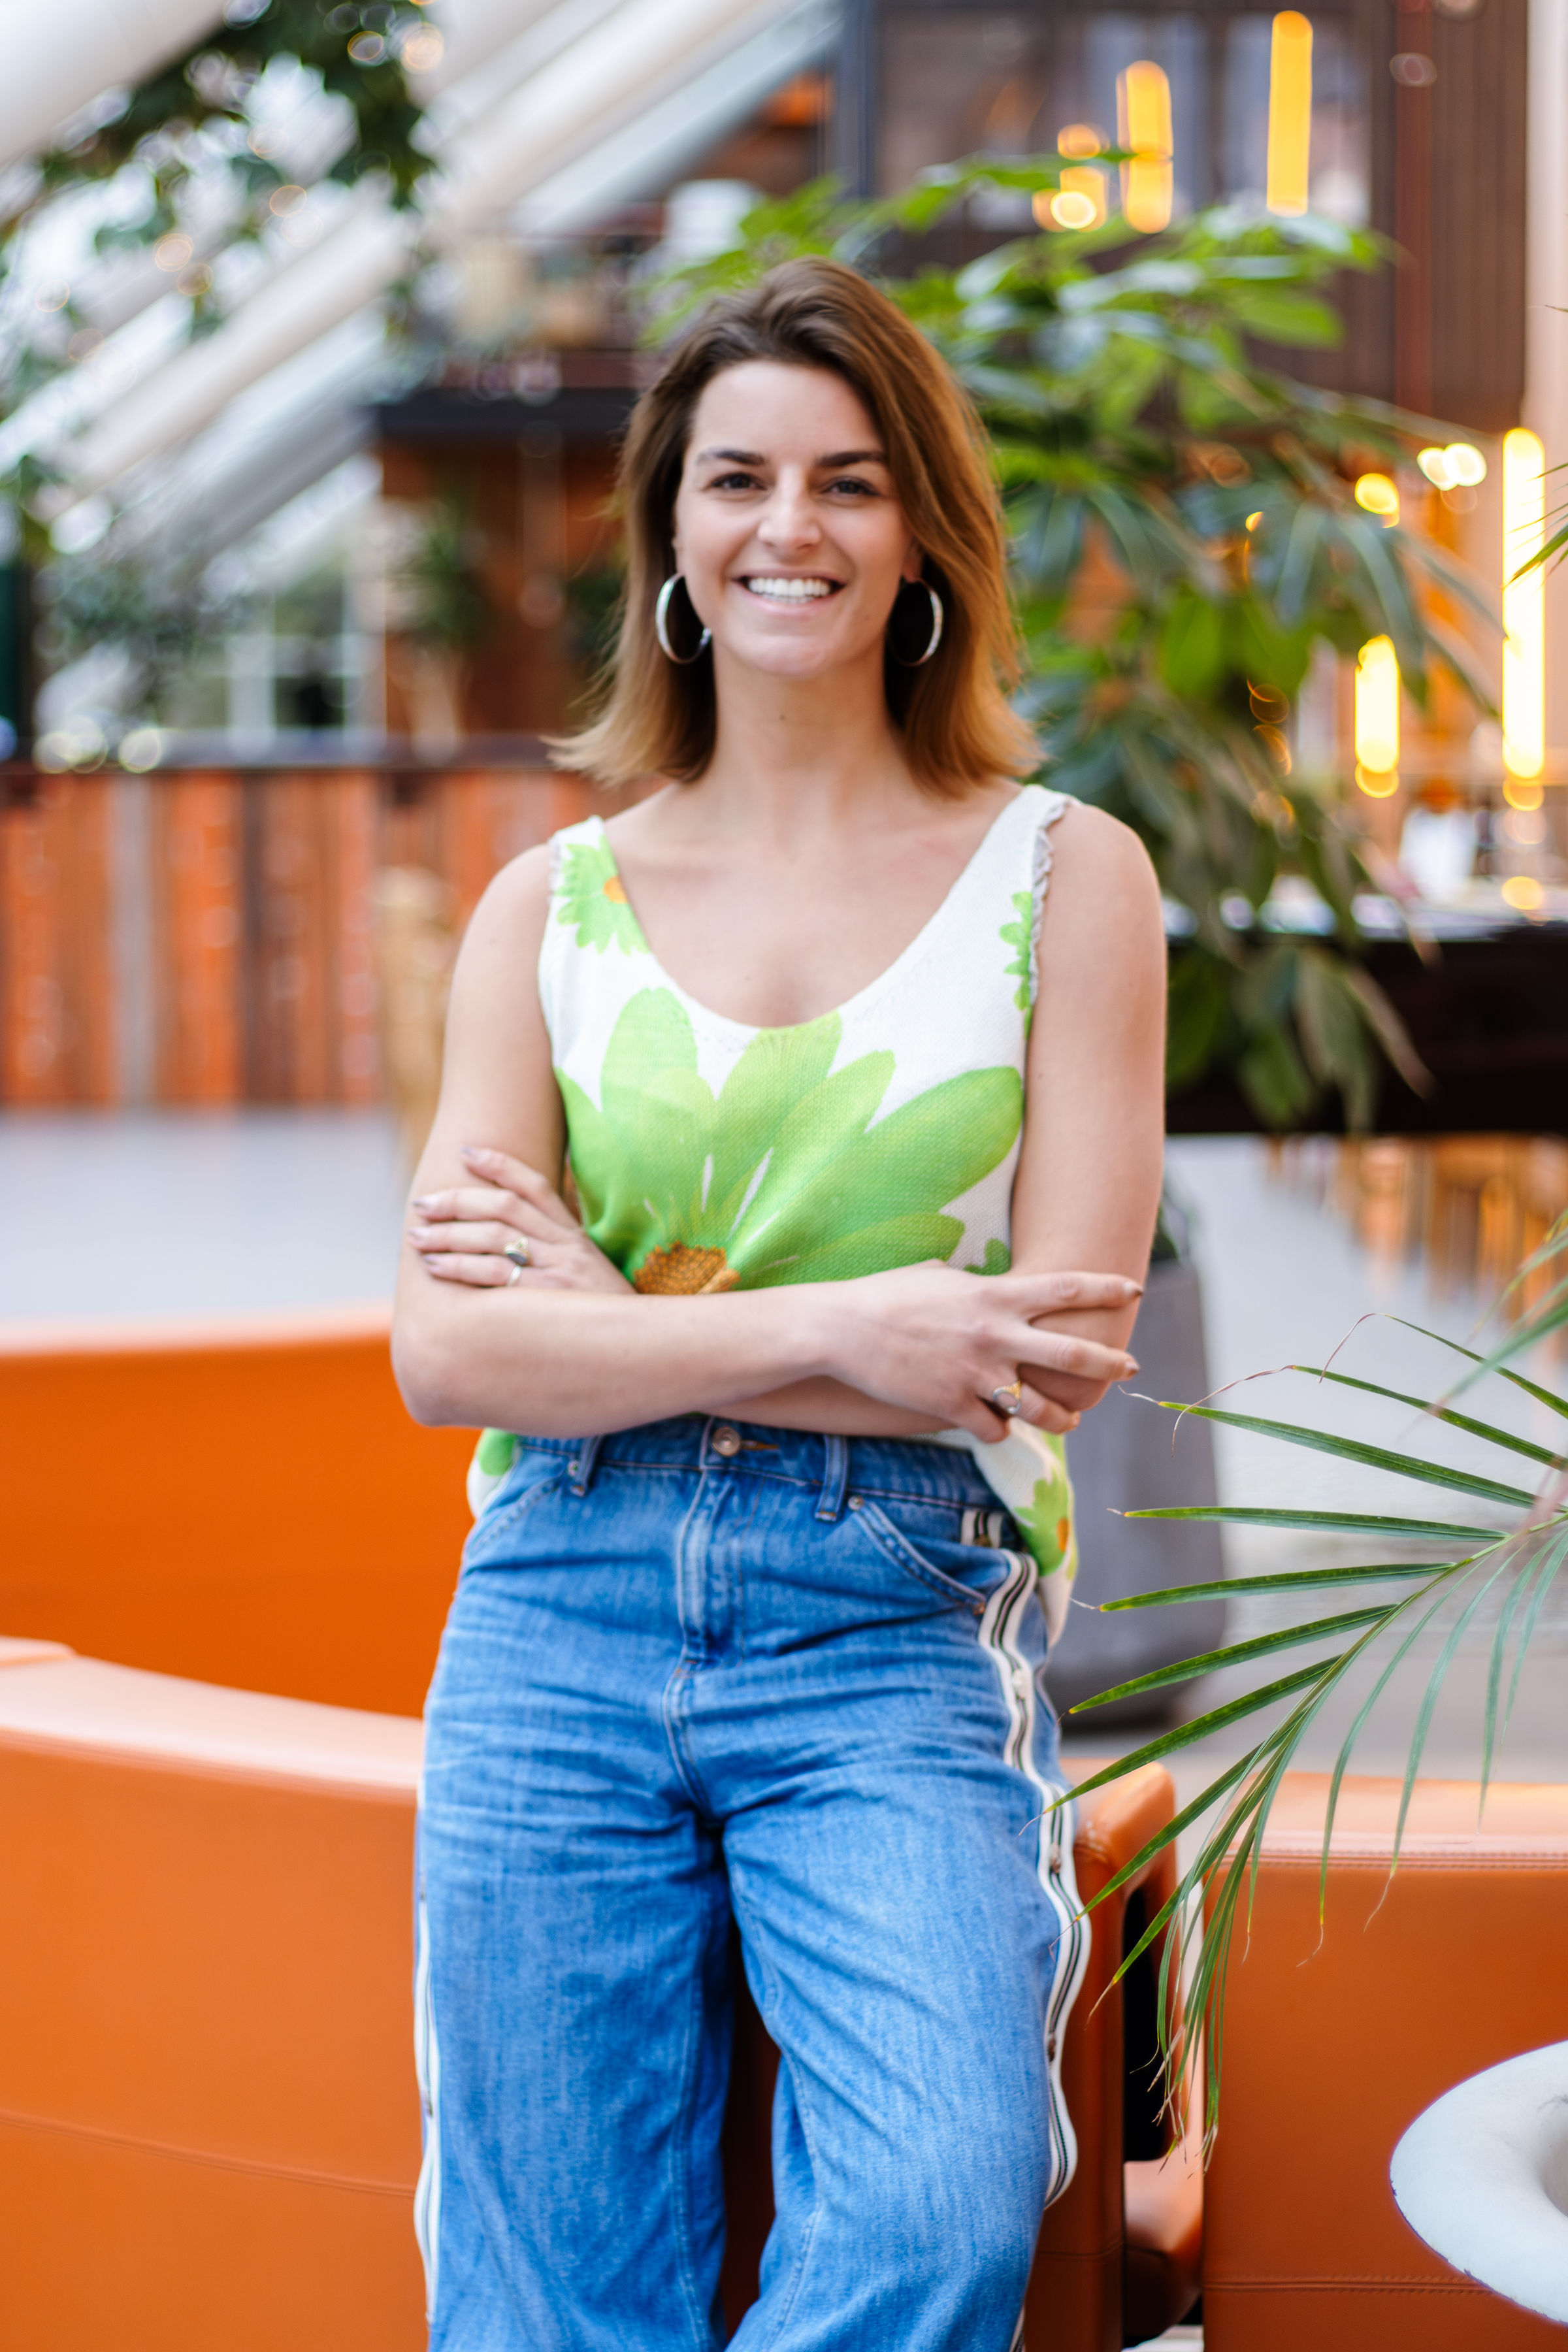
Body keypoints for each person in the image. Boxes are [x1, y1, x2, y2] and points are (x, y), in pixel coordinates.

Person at [392, 255, 1166, 2352]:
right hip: (557, 1606)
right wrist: (854, 1331)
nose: (787, 527)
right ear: (673, 529)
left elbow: (1052, 1361)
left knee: (944, 2204)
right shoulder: (550, 907)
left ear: (924, 535)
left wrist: (617, 1328)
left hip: (889, 1621)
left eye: (848, 479)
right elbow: (451, 1354)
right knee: (544, 2293)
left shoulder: (1064, 878)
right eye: (737, 478)